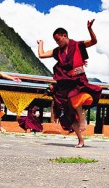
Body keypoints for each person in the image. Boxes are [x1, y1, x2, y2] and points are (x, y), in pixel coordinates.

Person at [37, 19, 102, 148]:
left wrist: (89, 29)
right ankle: (81, 140)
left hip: (78, 80)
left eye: (58, 39)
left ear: (65, 36)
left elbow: (94, 42)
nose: (57, 42)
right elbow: (41, 55)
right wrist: (41, 43)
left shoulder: (77, 45)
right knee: (68, 113)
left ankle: (82, 119)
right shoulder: (57, 51)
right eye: (55, 41)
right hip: (65, 83)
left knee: (75, 96)